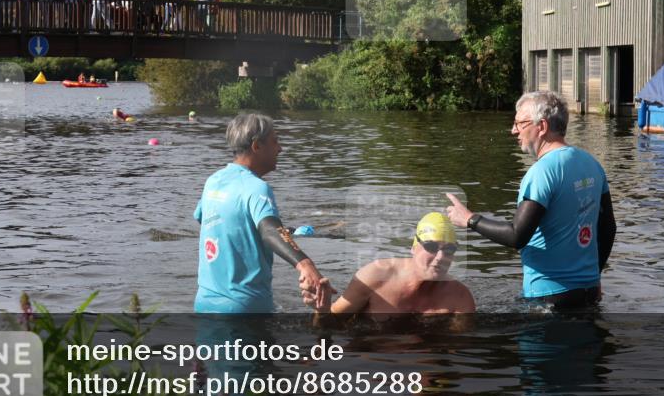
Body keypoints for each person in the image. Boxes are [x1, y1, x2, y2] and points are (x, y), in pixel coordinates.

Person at [446, 91, 616, 309]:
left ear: (542, 127)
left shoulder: (542, 172)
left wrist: (470, 219)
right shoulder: (592, 163)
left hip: (548, 297)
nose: (513, 130)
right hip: (589, 292)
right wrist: (595, 275)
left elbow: (517, 236)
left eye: (519, 123)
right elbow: (608, 228)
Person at [193, 112, 334, 313]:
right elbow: (269, 231)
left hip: (204, 304)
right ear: (256, 146)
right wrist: (305, 264)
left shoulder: (213, 181)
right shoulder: (256, 187)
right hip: (246, 308)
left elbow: (206, 218)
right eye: (275, 141)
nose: (280, 148)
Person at [301, 212, 475, 316]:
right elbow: (328, 328)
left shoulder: (459, 298)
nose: (440, 257)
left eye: (449, 250)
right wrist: (322, 311)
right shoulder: (374, 277)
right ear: (413, 247)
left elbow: (458, 353)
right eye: (431, 246)